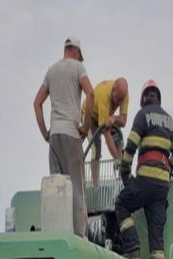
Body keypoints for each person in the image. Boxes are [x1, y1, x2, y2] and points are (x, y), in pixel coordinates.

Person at [114, 80, 173, 259]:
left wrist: (125, 172)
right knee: (156, 237)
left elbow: (131, 146)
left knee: (121, 204)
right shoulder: (170, 121)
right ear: (158, 97)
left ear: (144, 97)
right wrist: (168, 170)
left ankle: (132, 249)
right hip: (162, 187)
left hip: (145, 180)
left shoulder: (143, 115)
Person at [33, 37, 94, 237]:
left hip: (55, 137)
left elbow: (37, 103)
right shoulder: (78, 68)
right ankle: (79, 236)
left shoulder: (51, 71)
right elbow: (91, 94)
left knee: (58, 188)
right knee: (76, 187)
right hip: (71, 134)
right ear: (76, 51)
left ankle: (57, 234)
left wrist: (45, 132)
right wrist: (86, 127)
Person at [84, 77, 129, 178]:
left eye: (121, 100)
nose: (118, 103)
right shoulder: (104, 96)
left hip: (106, 117)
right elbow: (106, 132)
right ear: (113, 90)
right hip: (89, 115)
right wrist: (116, 159)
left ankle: (121, 178)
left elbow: (123, 121)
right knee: (96, 147)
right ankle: (95, 184)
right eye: (117, 98)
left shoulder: (124, 96)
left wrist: (114, 118)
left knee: (118, 139)